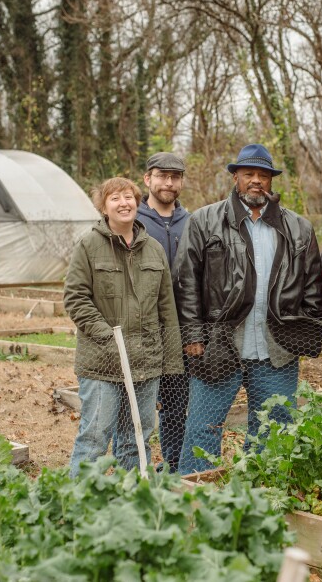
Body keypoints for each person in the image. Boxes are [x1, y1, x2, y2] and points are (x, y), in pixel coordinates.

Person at [173, 143, 322, 475]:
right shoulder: (204, 221)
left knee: (274, 428)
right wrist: (193, 335)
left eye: (263, 175)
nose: (256, 181)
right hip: (219, 343)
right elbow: (186, 283)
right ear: (236, 178)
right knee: (203, 428)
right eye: (248, 174)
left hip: (276, 348)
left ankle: (260, 494)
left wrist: (304, 334)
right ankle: (194, 496)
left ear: (271, 180)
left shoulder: (297, 227)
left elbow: (313, 284)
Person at [65, 177, 183, 477]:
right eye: (115, 198)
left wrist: (170, 361)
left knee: (135, 441)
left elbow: (166, 309)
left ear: (138, 203)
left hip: (146, 363)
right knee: (94, 438)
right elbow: (75, 299)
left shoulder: (153, 249)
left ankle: (128, 501)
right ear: (103, 207)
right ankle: (77, 503)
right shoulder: (88, 245)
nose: (123, 203)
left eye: (129, 197)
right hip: (102, 362)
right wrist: (107, 336)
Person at [137, 152, 190, 473]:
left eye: (175, 177)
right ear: (148, 179)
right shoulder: (134, 220)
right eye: (162, 175)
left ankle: (173, 467)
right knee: (138, 405)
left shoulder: (192, 222)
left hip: (181, 332)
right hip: (142, 331)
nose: (169, 183)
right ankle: (135, 467)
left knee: (175, 406)